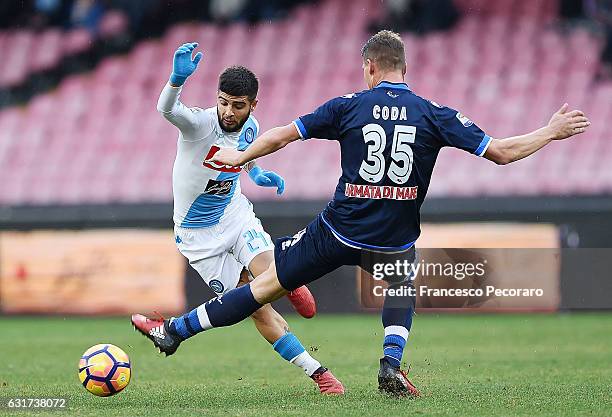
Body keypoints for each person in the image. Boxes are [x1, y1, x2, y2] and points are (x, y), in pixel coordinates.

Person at [134, 32, 590, 397]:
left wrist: (241, 159)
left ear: (369, 67)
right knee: (401, 280)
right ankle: (390, 362)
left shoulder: (349, 105)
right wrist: (550, 131)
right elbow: (505, 153)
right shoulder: (433, 114)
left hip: (336, 231)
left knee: (262, 289)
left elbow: (281, 136)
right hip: (392, 237)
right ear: (405, 70)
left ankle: (178, 330)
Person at [131, 42, 344, 395]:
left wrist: (256, 172)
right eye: (224, 102)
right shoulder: (199, 123)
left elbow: (245, 154)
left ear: (253, 105)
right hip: (198, 237)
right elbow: (167, 109)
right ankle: (320, 374)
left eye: (238, 105)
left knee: (270, 271)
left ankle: (288, 280)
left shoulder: (252, 125)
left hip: (234, 214)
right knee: (254, 306)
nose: (228, 111)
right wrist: (176, 79)